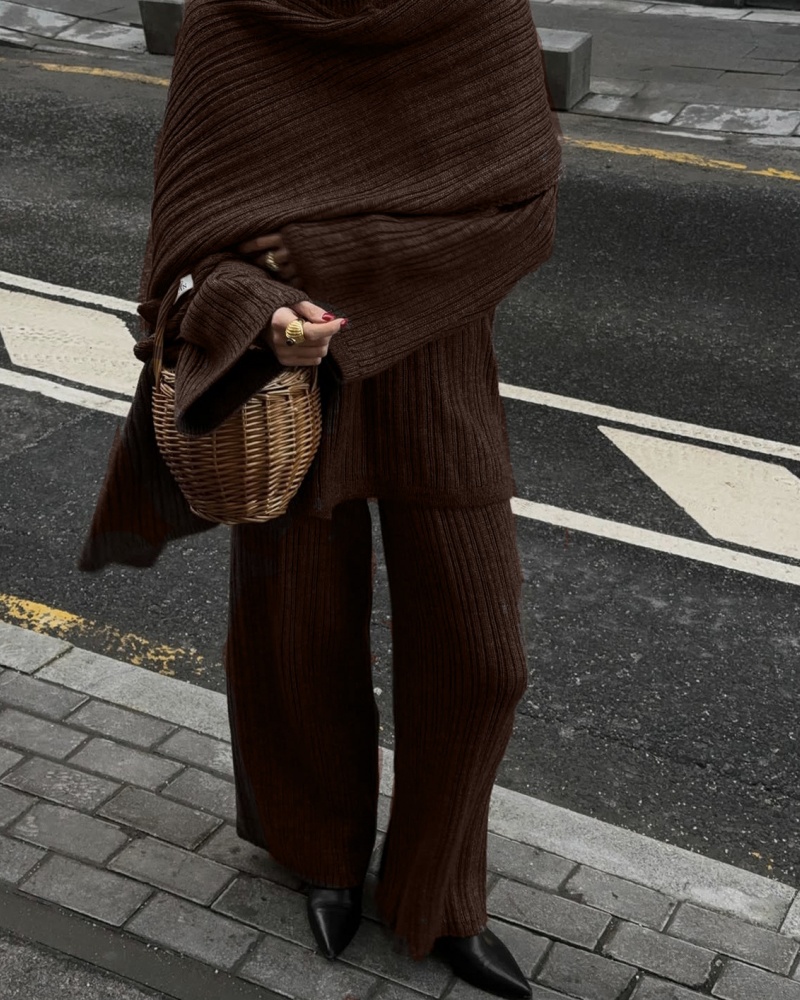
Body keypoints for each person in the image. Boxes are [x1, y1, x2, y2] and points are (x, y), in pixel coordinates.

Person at [80, 1, 563, 996]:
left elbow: (523, 217)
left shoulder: (474, 14)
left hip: (439, 376)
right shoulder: (232, 16)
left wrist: (321, 258)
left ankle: (440, 894)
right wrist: (258, 305)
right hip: (291, 385)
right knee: (293, 639)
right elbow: (188, 250)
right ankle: (320, 854)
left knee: (481, 659)